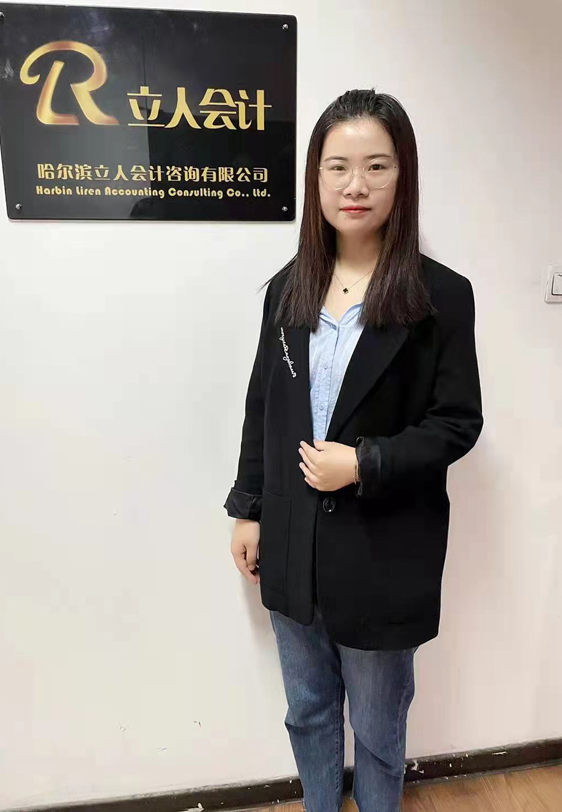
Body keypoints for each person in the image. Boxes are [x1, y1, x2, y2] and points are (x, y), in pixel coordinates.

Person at [223, 88, 483, 812]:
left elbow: (457, 423)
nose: (355, 185)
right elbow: (262, 406)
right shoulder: (288, 289)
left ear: (404, 175)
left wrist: (365, 462)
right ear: (316, 177)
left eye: (376, 166)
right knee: (307, 710)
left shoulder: (440, 297)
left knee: (375, 725)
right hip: (293, 544)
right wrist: (249, 508)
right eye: (337, 166)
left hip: (383, 548)